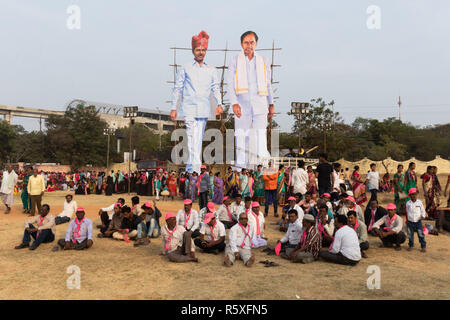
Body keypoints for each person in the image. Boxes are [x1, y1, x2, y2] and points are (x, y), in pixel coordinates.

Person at [171, 30, 222, 174]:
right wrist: (173, 107)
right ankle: (196, 171)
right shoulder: (185, 68)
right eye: (198, 50)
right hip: (189, 109)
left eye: (203, 50)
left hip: (204, 109)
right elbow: (178, 88)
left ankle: (190, 170)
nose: (201, 52)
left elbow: (216, 87)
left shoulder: (211, 69)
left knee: (197, 140)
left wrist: (219, 104)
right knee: (192, 138)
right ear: (193, 51)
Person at [228, 30, 274, 170]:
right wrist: (234, 103)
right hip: (242, 105)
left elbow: (268, 84)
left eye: (252, 42)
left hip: (260, 104)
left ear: (256, 43)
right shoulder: (235, 61)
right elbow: (230, 85)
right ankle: (241, 172)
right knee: (243, 138)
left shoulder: (263, 61)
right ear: (242, 44)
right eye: (246, 42)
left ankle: (262, 170)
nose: (249, 45)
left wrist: (271, 103)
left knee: (260, 138)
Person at [405, 188, 427, 252]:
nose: (413, 196)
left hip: (418, 222)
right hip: (410, 222)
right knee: (410, 234)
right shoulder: (408, 203)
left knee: (420, 234)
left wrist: (423, 216)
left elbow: (423, 211)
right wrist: (407, 220)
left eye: (415, 194)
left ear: (417, 194)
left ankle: (423, 246)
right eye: (412, 194)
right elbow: (407, 211)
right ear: (409, 195)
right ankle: (411, 245)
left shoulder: (419, 202)